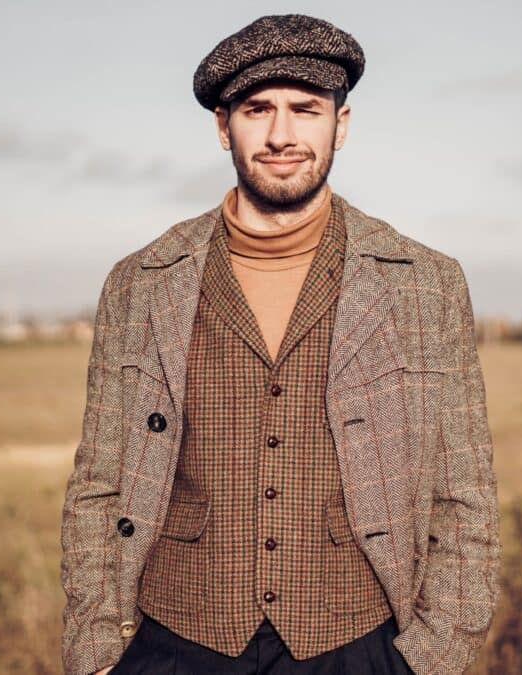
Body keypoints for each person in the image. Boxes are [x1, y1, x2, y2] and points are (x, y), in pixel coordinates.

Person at [60, 13, 499, 675]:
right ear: (222, 126)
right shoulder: (141, 281)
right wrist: (97, 653)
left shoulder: (426, 283)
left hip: (361, 644)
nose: (282, 133)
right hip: (173, 640)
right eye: (257, 109)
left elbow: (464, 491)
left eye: (306, 109)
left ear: (340, 125)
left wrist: (436, 656)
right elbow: (97, 484)